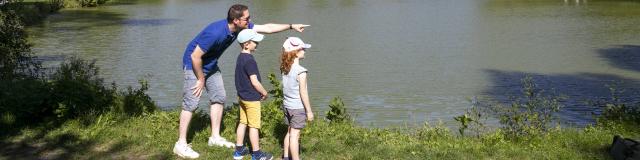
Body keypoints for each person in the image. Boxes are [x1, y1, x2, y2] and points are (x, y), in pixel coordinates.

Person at [174, 4, 309, 159]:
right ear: (236, 20)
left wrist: (292, 26)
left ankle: (215, 137)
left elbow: (268, 28)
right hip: (194, 65)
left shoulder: (241, 28)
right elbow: (195, 56)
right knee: (191, 102)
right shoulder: (215, 32)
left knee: (219, 97)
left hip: (210, 64)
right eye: (247, 18)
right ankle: (181, 143)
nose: (250, 20)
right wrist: (201, 78)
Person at [232, 29, 271, 160]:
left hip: (242, 97)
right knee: (254, 126)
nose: (257, 44)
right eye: (255, 42)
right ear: (246, 44)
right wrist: (264, 92)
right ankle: (257, 154)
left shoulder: (240, 57)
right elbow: (255, 82)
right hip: (252, 99)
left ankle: (238, 150)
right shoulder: (250, 60)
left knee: (243, 122)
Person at [279, 37, 314, 160]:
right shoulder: (301, 71)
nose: (305, 51)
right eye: (302, 49)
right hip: (297, 108)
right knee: (295, 135)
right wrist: (309, 111)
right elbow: (303, 93)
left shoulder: (284, 68)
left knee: (289, 132)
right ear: (296, 52)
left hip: (287, 105)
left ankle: (286, 157)